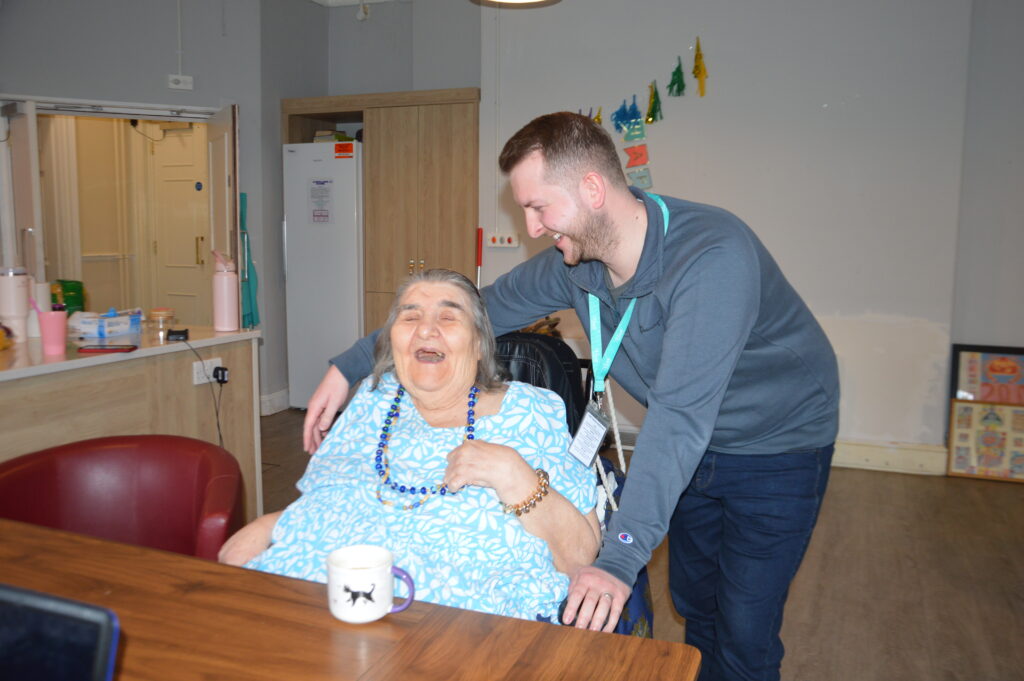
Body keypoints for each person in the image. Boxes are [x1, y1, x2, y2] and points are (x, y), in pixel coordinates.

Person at [305, 113, 839, 680]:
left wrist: (618, 560)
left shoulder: (713, 258)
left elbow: (679, 419)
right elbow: (473, 309)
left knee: (746, 628)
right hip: (688, 449)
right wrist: (350, 365)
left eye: (538, 207)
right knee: (698, 605)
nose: (532, 227)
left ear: (592, 189)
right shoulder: (576, 265)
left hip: (776, 446)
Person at [221, 268, 600, 622]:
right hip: (314, 598)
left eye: (448, 317)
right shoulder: (373, 400)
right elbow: (327, 495)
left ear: (481, 345)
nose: (425, 330)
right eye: (410, 316)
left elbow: (581, 554)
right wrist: (269, 525)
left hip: (448, 626)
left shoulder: (529, 411)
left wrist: (516, 477)